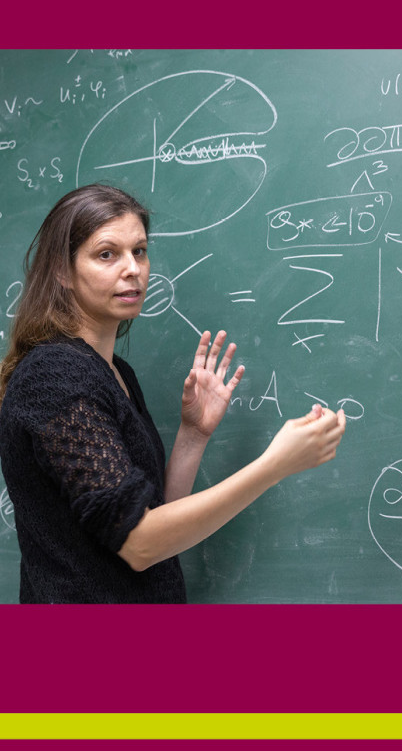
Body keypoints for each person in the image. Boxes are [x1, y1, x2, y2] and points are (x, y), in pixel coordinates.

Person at [0, 184, 347, 603]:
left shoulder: (111, 371)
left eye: (140, 251)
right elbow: (141, 544)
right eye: (107, 254)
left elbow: (157, 522)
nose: (133, 269)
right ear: (62, 271)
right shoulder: (55, 377)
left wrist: (193, 434)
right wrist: (274, 466)